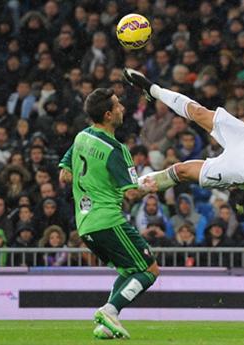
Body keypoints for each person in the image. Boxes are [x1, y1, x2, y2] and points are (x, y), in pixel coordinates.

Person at [58, 88, 159, 339]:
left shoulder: (81, 137)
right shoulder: (116, 149)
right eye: (117, 105)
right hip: (108, 220)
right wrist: (149, 188)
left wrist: (92, 187)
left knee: (127, 271)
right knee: (150, 270)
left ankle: (106, 323)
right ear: (108, 114)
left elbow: (65, 175)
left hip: (85, 224)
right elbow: (132, 194)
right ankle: (110, 311)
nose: (122, 108)